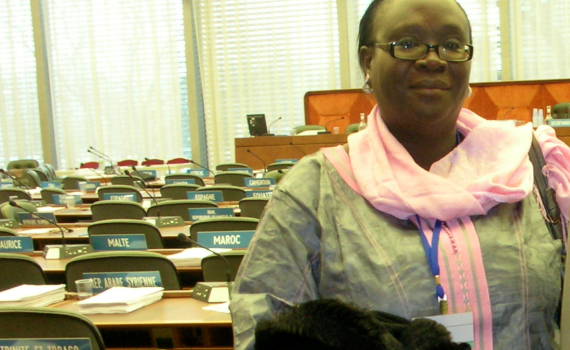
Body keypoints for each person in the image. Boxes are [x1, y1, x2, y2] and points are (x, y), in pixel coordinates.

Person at [230, 0, 570, 349]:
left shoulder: (532, 170)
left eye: (452, 46)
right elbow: (262, 329)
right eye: (407, 44)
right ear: (367, 61)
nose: (433, 60)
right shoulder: (314, 191)